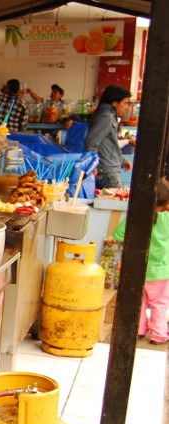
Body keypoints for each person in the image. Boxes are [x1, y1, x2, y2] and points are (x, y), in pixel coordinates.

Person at [112, 179, 169, 344]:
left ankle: (138, 329)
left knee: (139, 300)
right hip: (161, 270)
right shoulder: (166, 219)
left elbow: (118, 234)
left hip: (137, 267)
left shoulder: (137, 217)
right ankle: (158, 334)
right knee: (159, 303)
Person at [84, 84, 133, 189]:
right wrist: (91, 165)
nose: (126, 107)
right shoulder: (106, 116)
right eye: (125, 103)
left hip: (110, 170)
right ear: (115, 104)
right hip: (107, 173)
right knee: (116, 204)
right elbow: (91, 142)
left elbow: (109, 145)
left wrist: (122, 160)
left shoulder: (109, 116)